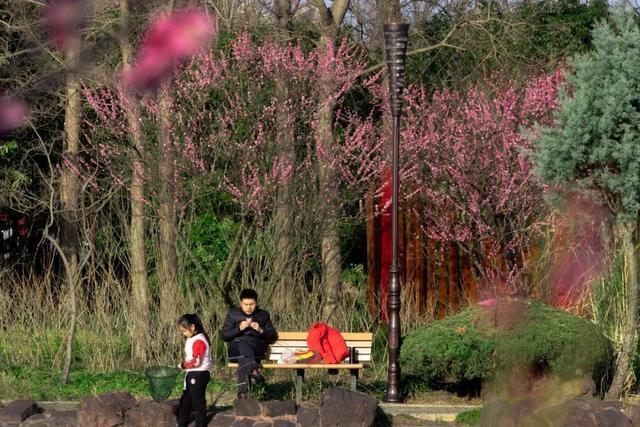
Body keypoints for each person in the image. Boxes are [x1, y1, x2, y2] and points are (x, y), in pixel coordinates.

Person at [221, 288, 278, 398]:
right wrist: (239, 328)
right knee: (242, 344)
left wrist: (260, 329)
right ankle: (253, 370)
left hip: (255, 348)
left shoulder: (263, 315)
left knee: (244, 356)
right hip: (235, 349)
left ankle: (243, 393)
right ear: (240, 302)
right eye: (245, 304)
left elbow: (273, 336)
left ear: (256, 303)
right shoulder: (233, 314)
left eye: (252, 304)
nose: (248, 307)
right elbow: (224, 336)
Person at [176, 314, 211, 427]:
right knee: (185, 400)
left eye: (184, 331)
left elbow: (196, 362)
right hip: (192, 374)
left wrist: (183, 365)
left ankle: (200, 424)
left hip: (199, 373)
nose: (183, 334)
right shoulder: (192, 339)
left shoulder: (199, 340)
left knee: (198, 402)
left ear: (192, 327)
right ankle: (181, 423)